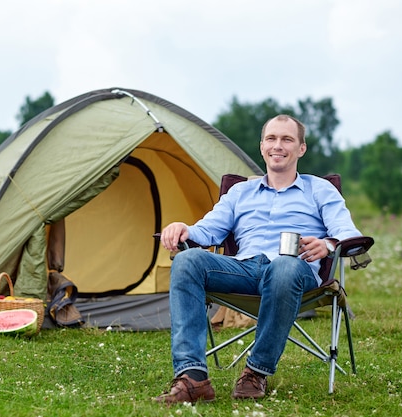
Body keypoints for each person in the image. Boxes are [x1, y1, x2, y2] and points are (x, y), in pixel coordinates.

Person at [154, 114, 362, 404]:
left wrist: (328, 244)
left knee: (284, 266)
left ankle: (256, 371)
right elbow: (208, 229)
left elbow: (348, 232)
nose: (278, 145)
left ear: (301, 148)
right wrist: (183, 228)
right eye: (272, 138)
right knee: (187, 261)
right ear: (262, 146)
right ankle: (193, 378)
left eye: (287, 139)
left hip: (295, 271)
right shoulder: (240, 192)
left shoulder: (319, 189)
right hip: (245, 268)